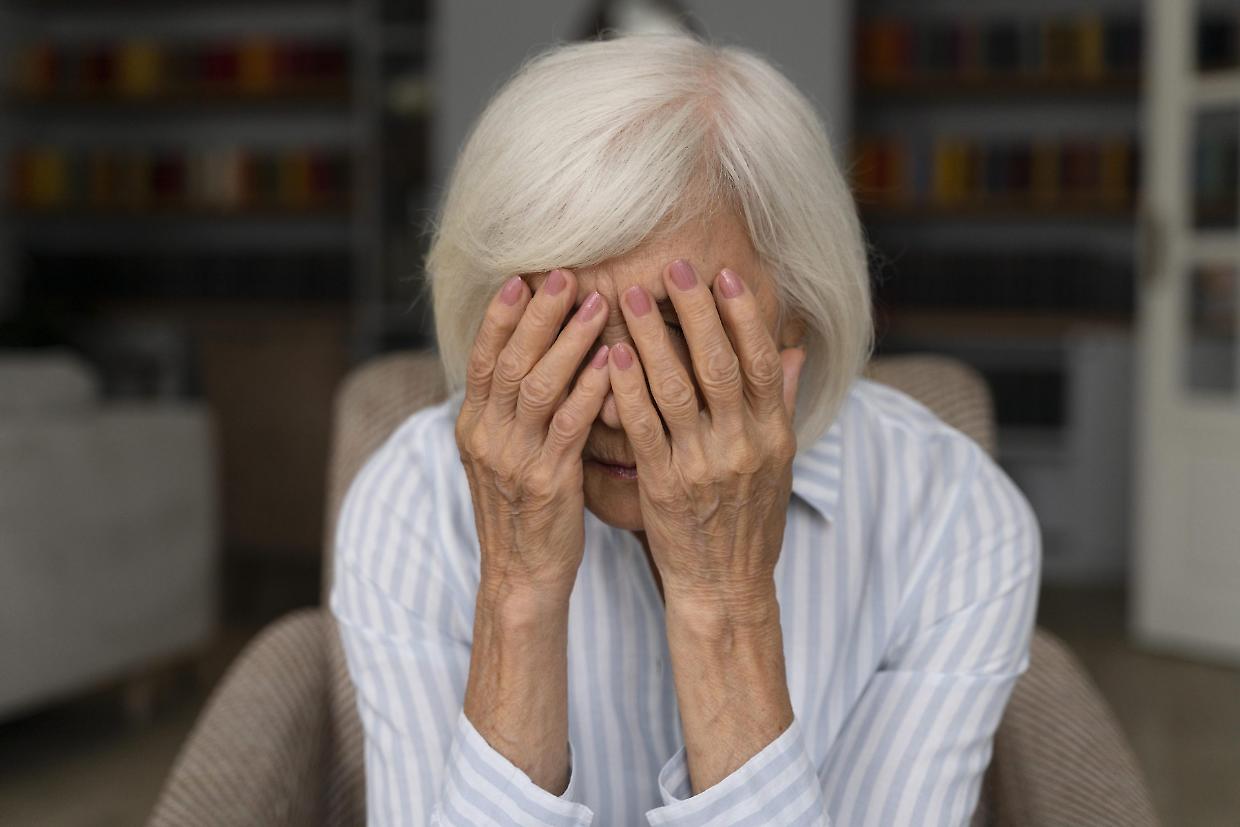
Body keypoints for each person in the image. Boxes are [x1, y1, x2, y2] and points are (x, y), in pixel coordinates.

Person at [330, 31, 1041, 826]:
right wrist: (517, 596)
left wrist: (724, 602)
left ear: (796, 315)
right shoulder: (408, 502)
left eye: (680, 327)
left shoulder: (951, 515)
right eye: (562, 326)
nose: (617, 404)